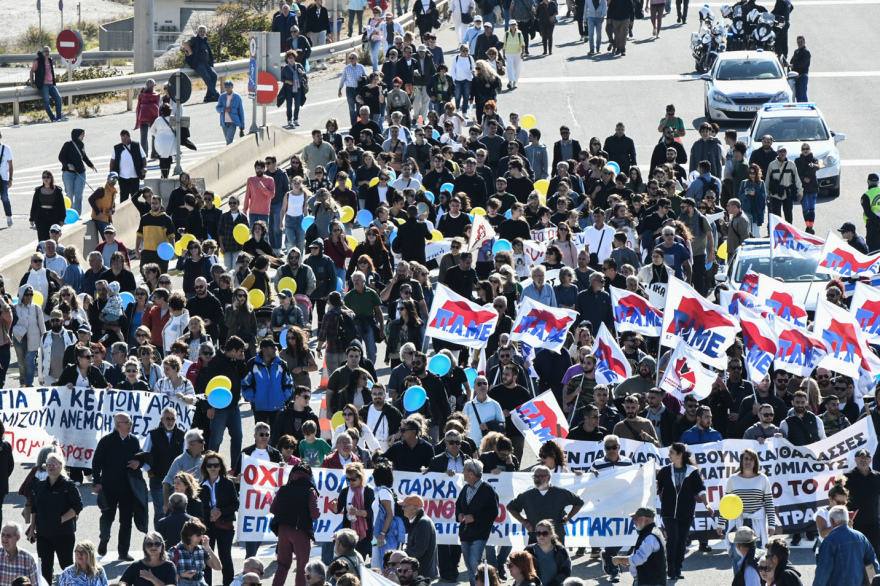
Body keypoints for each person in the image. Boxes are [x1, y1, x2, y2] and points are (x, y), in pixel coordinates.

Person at [92, 413, 151, 559]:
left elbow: (140, 458)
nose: (131, 424)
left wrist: (139, 463)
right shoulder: (106, 441)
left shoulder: (133, 441)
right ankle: (104, 540)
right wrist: (97, 482)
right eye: (128, 422)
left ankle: (123, 552)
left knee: (126, 521)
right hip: (109, 487)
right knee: (107, 517)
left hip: (128, 488)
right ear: (118, 425)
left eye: (130, 422)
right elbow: (96, 462)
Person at [25, 451, 83, 585]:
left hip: (63, 534)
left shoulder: (68, 485)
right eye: (48, 464)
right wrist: (32, 529)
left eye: (54, 464)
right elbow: (35, 508)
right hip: (43, 535)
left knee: (66, 566)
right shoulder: (40, 485)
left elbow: (77, 506)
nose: (51, 467)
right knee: (44, 569)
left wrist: (61, 519)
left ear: (61, 466)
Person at [656, 443, 712, 578]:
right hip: (668, 512)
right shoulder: (665, 471)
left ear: (680, 454)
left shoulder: (692, 471)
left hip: (686, 512)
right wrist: (654, 483)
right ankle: (670, 568)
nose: (669, 455)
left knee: (681, 541)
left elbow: (701, 489)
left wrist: (707, 503)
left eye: (672, 452)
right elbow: (657, 487)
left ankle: (678, 568)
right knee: (673, 539)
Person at [507, 465, 583, 545]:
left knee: (558, 558)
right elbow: (511, 507)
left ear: (549, 477)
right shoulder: (527, 495)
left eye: (541, 476)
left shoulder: (560, 493)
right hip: (535, 538)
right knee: (533, 558)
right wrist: (524, 522)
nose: (537, 479)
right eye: (535, 476)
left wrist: (568, 517)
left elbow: (579, 502)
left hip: (556, 538)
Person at [717, 448, 776, 550]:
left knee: (757, 555)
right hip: (738, 522)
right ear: (741, 461)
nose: (748, 462)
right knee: (737, 555)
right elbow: (726, 503)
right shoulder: (733, 479)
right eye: (746, 459)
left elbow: (769, 503)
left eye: (751, 459)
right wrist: (720, 523)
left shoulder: (763, 478)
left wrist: (771, 525)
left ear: (755, 462)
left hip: (757, 523)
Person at [455, 460, 499, 586]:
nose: (462, 472)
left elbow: (493, 512)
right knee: (469, 564)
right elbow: (458, 505)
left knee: (474, 561)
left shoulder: (488, 490)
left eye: (464, 470)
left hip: (480, 533)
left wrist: (475, 517)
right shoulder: (465, 488)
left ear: (471, 473)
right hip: (464, 533)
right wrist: (459, 515)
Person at [814, 505, 879, 585]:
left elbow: (824, 570)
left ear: (832, 521)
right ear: (847, 519)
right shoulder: (861, 537)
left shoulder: (830, 540)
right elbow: (871, 564)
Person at [198, 452, 237, 586]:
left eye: (216, 465)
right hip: (207, 527)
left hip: (225, 526)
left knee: (225, 558)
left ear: (220, 467)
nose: (213, 468)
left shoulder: (228, 484)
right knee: (206, 558)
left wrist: (219, 512)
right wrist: (209, 513)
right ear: (205, 467)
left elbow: (235, 504)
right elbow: (197, 507)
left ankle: (229, 584)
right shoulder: (200, 485)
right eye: (210, 465)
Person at [611, 507, 666, 585]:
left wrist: (619, 559)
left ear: (647, 520)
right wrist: (627, 560)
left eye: (637, 518)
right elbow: (641, 554)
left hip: (650, 582)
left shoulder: (650, 536)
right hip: (647, 580)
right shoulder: (648, 532)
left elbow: (639, 558)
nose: (634, 520)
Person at [168, 519, 222, 586]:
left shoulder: (201, 550)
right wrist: (182, 575)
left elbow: (218, 567)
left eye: (201, 535)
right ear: (189, 535)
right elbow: (167, 576)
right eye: (198, 535)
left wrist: (208, 548)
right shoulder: (174, 551)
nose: (200, 538)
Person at [398, 495, 437, 580]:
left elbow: (419, 550)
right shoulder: (418, 521)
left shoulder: (423, 523)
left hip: (423, 573)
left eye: (405, 506)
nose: (402, 508)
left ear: (414, 508)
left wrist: (402, 556)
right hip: (421, 572)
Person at [29, 46, 65, 122]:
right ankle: (52, 117)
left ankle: (59, 116)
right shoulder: (37, 61)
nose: (47, 53)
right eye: (45, 51)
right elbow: (32, 71)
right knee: (46, 101)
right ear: (42, 52)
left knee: (58, 98)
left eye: (48, 51)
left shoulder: (50, 60)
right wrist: (32, 83)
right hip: (43, 85)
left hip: (51, 84)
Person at [185, 26, 219, 102]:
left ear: (205, 32)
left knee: (214, 76)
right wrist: (191, 51)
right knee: (208, 78)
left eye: (203, 31)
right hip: (198, 64)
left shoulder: (205, 40)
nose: (202, 33)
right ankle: (217, 95)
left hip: (206, 63)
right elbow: (185, 44)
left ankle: (208, 96)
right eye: (200, 31)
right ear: (198, 32)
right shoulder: (195, 39)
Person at [217, 81, 245, 145]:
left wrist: (242, 124)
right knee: (227, 139)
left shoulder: (237, 98)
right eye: (225, 87)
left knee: (229, 140)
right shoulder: (222, 97)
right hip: (224, 123)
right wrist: (223, 109)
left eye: (228, 86)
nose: (227, 88)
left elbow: (241, 112)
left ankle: (227, 153)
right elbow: (218, 108)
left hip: (233, 122)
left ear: (232, 87)